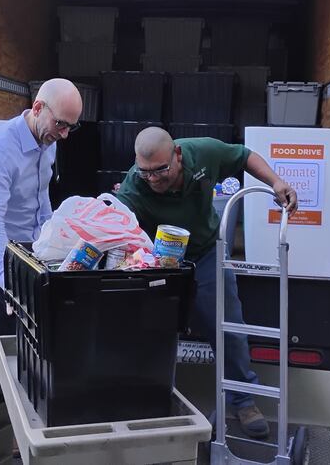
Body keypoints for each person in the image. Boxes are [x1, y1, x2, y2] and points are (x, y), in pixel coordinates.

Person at [116, 127, 298, 439]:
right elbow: (117, 226)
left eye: (160, 170)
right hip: (160, 260)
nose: (153, 179)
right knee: (153, 329)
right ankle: (154, 398)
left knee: (228, 325)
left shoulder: (203, 153)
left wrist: (276, 182)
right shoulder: (135, 185)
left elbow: (244, 156)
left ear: (177, 155)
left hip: (205, 251)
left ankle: (243, 401)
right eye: (145, 172)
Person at [0, 78, 83, 465]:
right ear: (38, 108)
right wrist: (11, 286)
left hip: (22, 253)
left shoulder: (47, 143)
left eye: (71, 127)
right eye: (61, 124)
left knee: (18, 355)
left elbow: (41, 203)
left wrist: (53, 249)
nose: (64, 134)